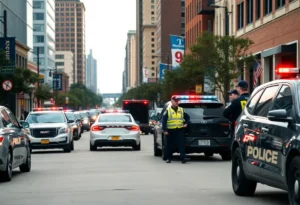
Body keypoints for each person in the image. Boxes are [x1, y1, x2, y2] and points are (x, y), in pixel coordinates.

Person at [162, 96, 190, 164]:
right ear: (171, 101)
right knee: (170, 145)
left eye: (177, 101)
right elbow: (164, 121)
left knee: (181, 144)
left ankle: (183, 158)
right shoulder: (168, 110)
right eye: (175, 101)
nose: (177, 102)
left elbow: (187, 117)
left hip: (180, 130)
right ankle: (168, 158)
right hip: (171, 130)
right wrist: (165, 130)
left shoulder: (181, 110)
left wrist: (186, 123)